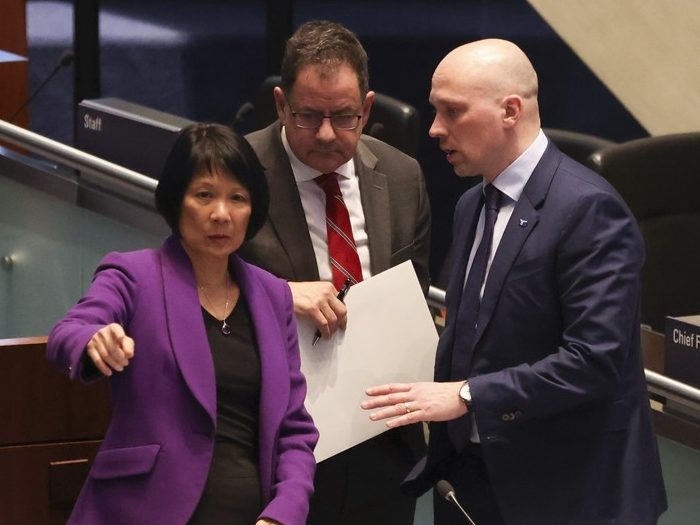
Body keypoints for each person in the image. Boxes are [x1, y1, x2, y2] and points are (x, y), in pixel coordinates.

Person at [361, 39, 667, 525]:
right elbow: (474, 332)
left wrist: (466, 395)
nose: (436, 128)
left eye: (453, 111)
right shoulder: (471, 204)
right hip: (473, 479)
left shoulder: (590, 210)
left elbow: (594, 361)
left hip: (565, 492)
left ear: (510, 110)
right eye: (435, 110)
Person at [47, 123, 318, 525]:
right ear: (177, 200)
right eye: (204, 195)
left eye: (237, 198)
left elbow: (294, 430)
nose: (221, 214)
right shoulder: (134, 274)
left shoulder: (272, 295)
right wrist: (94, 340)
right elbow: (67, 333)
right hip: (142, 511)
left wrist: (282, 514)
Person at [239, 20, 430, 525]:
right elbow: (186, 290)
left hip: (383, 445)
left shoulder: (403, 175)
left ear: (366, 109)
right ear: (281, 105)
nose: (326, 134)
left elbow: (415, 300)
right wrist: (277, 294)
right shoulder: (234, 172)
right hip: (275, 441)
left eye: (344, 116)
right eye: (307, 116)